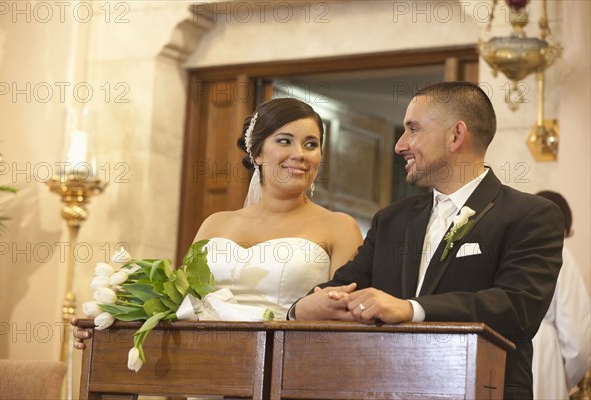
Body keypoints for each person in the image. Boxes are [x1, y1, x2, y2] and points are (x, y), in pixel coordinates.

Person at [292, 81, 565, 399]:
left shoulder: (530, 215)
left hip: (481, 388)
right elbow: (345, 286)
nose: (399, 144)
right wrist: (300, 309)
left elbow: (516, 309)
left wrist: (412, 309)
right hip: (384, 388)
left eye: (413, 129)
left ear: (456, 135)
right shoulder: (392, 219)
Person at [72, 97, 363, 346]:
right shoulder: (215, 225)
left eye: (311, 144)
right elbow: (179, 303)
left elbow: (347, 321)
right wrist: (111, 322)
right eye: (285, 141)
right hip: (206, 366)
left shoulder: (339, 227)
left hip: (292, 367)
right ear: (258, 152)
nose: (299, 154)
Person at [532, 191, 590, 400]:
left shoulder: (509, 249)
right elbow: (578, 341)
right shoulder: (561, 253)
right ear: (562, 228)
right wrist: (563, 379)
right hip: (545, 356)